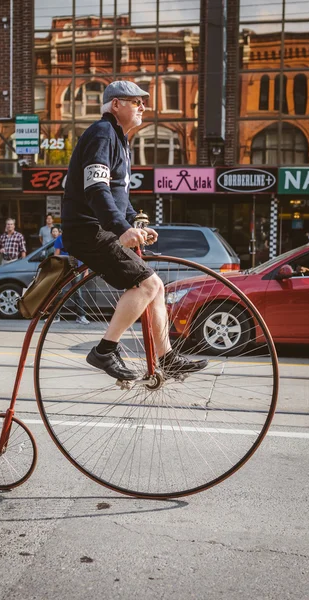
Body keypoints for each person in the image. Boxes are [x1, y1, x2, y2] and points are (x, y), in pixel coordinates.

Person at [61, 80, 208, 380]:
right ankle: (104, 350)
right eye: (135, 101)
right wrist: (120, 228)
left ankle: (166, 357)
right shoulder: (102, 133)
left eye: (143, 102)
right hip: (87, 229)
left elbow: (118, 195)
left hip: (100, 228)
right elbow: (97, 188)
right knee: (147, 284)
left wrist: (134, 223)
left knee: (155, 287)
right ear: (116, 105)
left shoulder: (120, 141)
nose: (143, 106)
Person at [54, 227, 89, 325]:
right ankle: (56, 316)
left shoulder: (79, 239)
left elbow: (85, 255)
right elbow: (57, 255)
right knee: (60, 292)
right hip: (65, 269)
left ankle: (81, 316)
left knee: (77, 292)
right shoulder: (60, 239)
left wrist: (86, 270)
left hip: (78, 268)